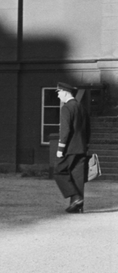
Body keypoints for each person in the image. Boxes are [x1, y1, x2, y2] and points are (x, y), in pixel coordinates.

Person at [51, 82, 90, 213]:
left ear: (65, 92)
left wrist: (60, 149)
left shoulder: (66, 108)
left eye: (59, 93)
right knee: (78, 176)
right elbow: (88, 129)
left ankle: (76, 198)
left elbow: (65, 130)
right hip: (81, 147)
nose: (58, 96)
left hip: (69, 148)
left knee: (58, 171)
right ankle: (77, 206)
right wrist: (86, 145)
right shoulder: (81, 107)